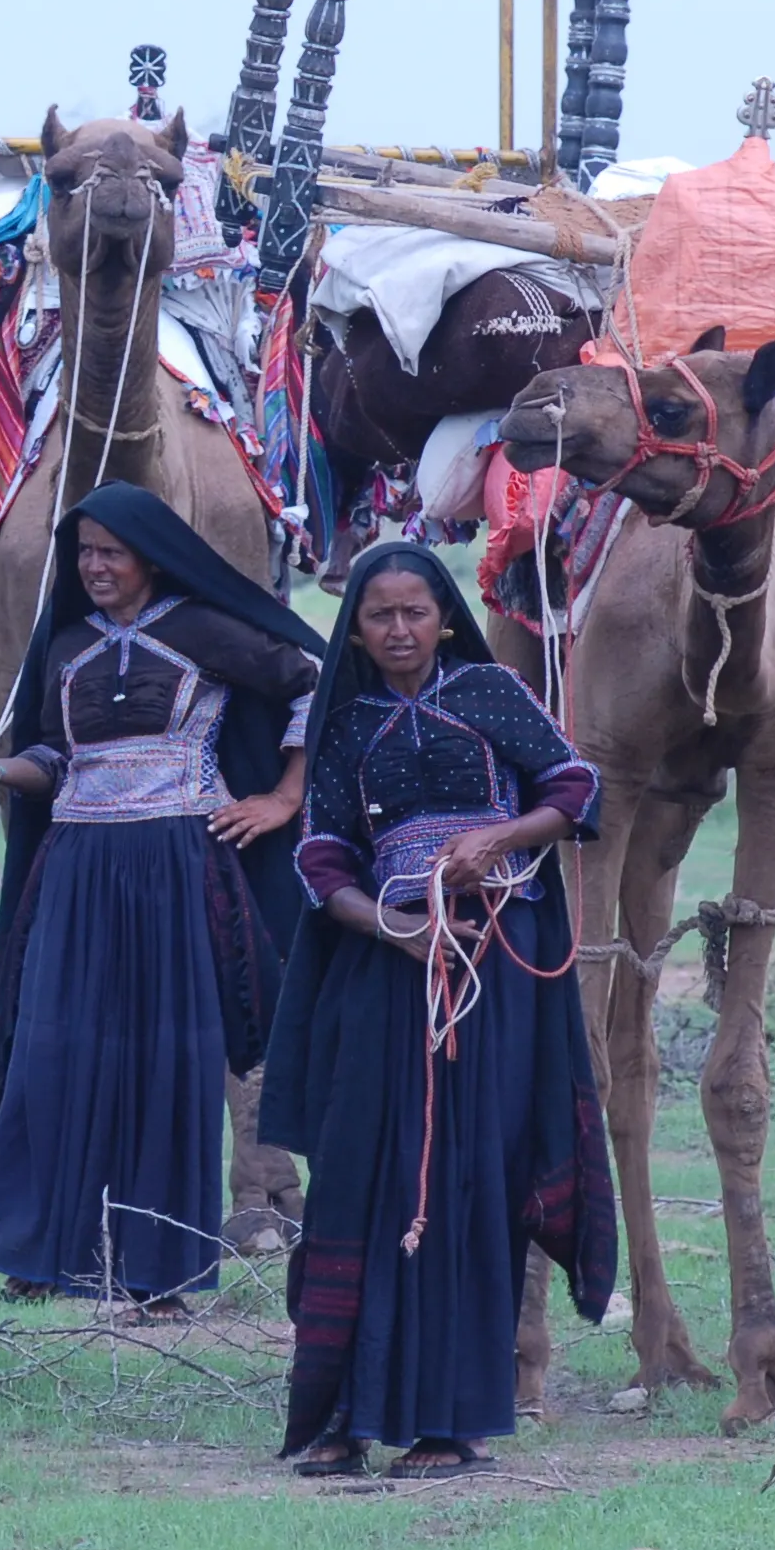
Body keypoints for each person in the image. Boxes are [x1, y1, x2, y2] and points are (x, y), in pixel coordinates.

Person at [258, 542, 618, 1479]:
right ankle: (343, 1413)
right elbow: (321, 856)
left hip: (495, 958)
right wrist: (394, 927)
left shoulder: (491, 694)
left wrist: (500, 836)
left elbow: (575, 787)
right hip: (387, 966)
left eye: (415, 611)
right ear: (356, 629)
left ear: (445, 618)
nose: (399, 630)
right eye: (379, 615)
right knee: (360, 1170)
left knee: (469, 1171)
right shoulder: (347, 726)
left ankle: (452, 1422)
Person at [0, 484, 323, 1309]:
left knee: (169, 1061)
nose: (95, 566)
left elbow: (314, 680)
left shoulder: (204, 630)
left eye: (111, 551)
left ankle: (159, 1272)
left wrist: (284, 796)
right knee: (53, 1051)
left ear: (153, 557)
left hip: (179, 864)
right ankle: (42, 1253)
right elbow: (55, 759)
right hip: (76, 867)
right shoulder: (68, 644)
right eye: (84, 553)